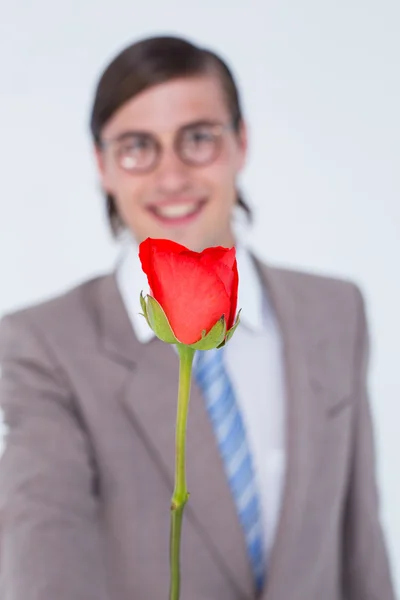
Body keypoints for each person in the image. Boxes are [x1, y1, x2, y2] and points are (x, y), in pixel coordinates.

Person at [0, 35, 395, 600]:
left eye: (199, 139)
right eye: (138, 146)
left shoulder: (334, 313)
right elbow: (43, 560)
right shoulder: (44, 344)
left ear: (241, 142)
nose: (172, 175)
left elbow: (362, 544)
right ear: (102, 166)